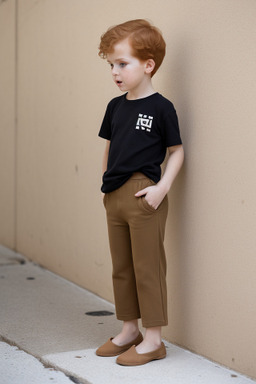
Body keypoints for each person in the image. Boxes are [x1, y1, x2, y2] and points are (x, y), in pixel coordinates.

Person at [96, 19, 184, 366]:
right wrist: (105, 183)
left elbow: (177, 151)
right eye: (111, 65)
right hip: (115, 195)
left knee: (147, 267)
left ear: (148, 65)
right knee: (122, 267)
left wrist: (161, 189)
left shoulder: (161, 108)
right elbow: (108, 145)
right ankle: (129, 329)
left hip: (144, 195)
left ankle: (154, 339)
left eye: (122, 63)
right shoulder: (115, 107)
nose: (115, 72)